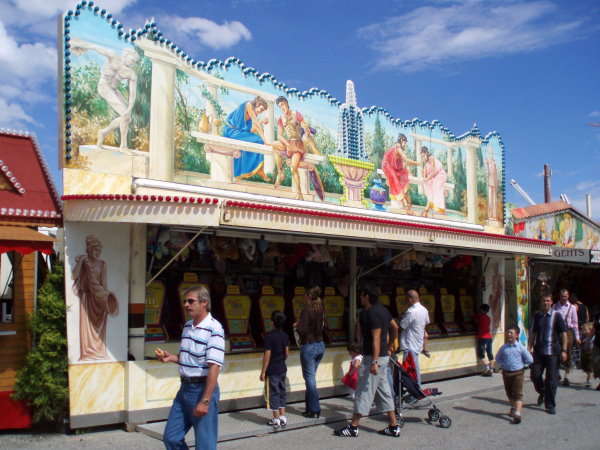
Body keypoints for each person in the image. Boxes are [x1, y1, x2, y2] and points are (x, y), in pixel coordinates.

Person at [159, 286, 224, 450]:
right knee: (171, 438)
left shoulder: (214, 328)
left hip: (202, 390)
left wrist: (205, 400)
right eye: (185, 301)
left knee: (204, 445)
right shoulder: (188, 326)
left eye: (190, 301)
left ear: (204, 303)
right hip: (184, 390)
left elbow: (214, 367)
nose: (186, 305)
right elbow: (189, 358)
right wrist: (171, 358)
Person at [335, 286, 400, 438]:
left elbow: (376, 338)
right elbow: (395, 327)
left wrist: (374, 362)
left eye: (362, 295)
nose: (360, 297)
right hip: (383, 357)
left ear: (367, 297)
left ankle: (353, 427)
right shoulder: (383, 310)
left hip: (373, 358)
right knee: (384, 392)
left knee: (363, 390)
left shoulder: (371, 313)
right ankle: (393, 426)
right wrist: (390, 344)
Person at [70, 38, 138, 153]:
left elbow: (132, 95)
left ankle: (103, 132)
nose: (133, 62)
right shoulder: (112, 56)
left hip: (114, 90)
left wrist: (129, 109)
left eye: (134, 61)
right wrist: (76, 44)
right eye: (132, 59)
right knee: (124, 115)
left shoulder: (131, 73)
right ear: (127, 54)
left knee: (127, 117)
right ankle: (123, 146)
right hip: (104, 87)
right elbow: (94, 46)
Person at [72, 235, 119, 361]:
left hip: (99, 299)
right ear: (89, 249)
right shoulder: (84, 262)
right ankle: (87, 354)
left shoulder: (103, 264)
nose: (98, 252)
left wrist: (106, 300)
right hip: (87, 298)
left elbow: (104, 284)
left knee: (100, 329)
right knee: (87, 328)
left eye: (99, 250)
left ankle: (99, 352)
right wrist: (81, 262)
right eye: (95, 249)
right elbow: (73, 276)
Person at [271, 96, 322, 200]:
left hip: (298, 144)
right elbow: (279, 135)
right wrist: (287, 144)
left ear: (286, 103)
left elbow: (304, 125)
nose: (282, 107)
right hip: (289, 142)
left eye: (282, 104)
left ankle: (299, 193)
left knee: (293, 168)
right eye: (279, 106)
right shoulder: (281, 119)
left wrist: (306, 130)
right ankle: (280, 173)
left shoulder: (296, 114)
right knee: (274, 145)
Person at [528, 294, 567, 415]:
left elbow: (564, 333)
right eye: (543, 301)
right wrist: (529, 348)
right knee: (535, 375)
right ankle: (543, 392)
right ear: (541, 302)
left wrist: (564, 350)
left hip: (553, 353)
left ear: (551, 302)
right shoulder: (537, 316)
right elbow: (532, 333)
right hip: (539, 352)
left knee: (551, 380)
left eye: (548, 301)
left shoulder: (557, 315)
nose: (545, 303)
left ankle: (550, 405)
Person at [222, 96, 271, 181]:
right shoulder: (249, 105)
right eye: (261, 109)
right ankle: (259, 169)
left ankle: (258, 168)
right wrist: (265, 141)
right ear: (257, 104)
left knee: (256, 140)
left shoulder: (254, 113)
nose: (261, 112)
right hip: (231, 131)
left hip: (238, 133)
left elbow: (251, 131)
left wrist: (261, 122)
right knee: (259, 140)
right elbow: (256, 124)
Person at [296, 286, 326, 418]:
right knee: (311, 378)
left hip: (309, 345)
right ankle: (309, 408)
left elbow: (302, 330)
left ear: (309, 296)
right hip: (320, 344)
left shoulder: (307, 310)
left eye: (304, 294)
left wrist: (296, 326)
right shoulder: (320, 309)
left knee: (309, 379)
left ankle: (314, 409)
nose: (302, 296)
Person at [495, 325, 533, 424]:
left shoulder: (520, 347)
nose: (509, 334)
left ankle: (517, 414)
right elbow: (497, 358)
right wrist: (504, 363)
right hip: (506, 373)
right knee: (509, 393)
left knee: (517, 394)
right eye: (508, 332)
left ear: (517, 335)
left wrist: (523, 364)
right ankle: (513, 408)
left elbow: (530, 359)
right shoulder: (503, 347)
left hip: (518, 373)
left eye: (511, 333)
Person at [260, 310, 290, 428]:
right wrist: (281, 360)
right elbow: (286, 352)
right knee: (282, 392)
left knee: (273, 393)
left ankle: (276, 418)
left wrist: (263, 371)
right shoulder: (285, 335)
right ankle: (283, 417)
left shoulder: (269, 337)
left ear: (272, 322)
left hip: (272, 370)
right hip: (282, 368)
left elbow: (267, 356)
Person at [399, 290, 430, 386]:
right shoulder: (424, 310)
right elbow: (426, 322)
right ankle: (416, 389)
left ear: (410, 299)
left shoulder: (411, 311)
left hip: (410, 343)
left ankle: (416, 390)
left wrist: (398, 319)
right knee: (414, 368)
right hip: (418, 343)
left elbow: (402, 326)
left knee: (410, 369)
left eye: (406, 300)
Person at [382, 133, 418, 213]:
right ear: (401, 141)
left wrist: (407, 168)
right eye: (404, 143)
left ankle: (408, 204)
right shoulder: (398, 149)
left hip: (392, 167)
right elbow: (406, 160)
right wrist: (417, 163)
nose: (405, 145)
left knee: (404, 174)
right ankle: (406, 206)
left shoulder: (395, 148)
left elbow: (399, 164)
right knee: (396, 181)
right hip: (387, 166)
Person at [552, 288, 580, 386]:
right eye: (562, 296)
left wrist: (577, 337)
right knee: (556, 352)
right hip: (557, 332)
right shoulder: (555, 306)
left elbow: (575, 323)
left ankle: (566, 376)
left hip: (568, 332)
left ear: (568, 296)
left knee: (568, 354)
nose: (563, 298)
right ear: (559, 296)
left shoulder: (572, 307)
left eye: (565, 296)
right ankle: (557, 373)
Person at [420, 146, 447, 217]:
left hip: (440, 175)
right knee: (428, 185)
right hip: (434, 178)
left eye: (423, 155)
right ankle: (428, 209)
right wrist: (423, 174)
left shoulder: (431, 158)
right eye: (422, 157)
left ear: (426, 153)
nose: (423, 158)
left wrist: (427, 178)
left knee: (435, 187)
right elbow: (425, 177)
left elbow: (433, 172)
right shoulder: (425, 165)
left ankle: (439, 210)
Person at [473, 304, 494, 376]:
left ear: (481, 309)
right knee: (490, 354)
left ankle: (487, 369)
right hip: (489, 337)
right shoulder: (488, 318)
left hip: (483, 337)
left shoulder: (480, 316)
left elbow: (472, 316)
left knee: (481, 355)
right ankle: (491, 369)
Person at [486, 145, 499, 220]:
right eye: (490, 152)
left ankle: (494, 216)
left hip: (494, 183)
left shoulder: (494, 163)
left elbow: (495, 174)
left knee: (494, 200)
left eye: (492, 152)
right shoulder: (488, 162)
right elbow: (488, 172)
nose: (491, 153)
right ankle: (490, 215)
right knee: (490, 200)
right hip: (490, 182)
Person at [580, 323, 595, 388]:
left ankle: (589, 380)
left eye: (585, 330)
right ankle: (590, 373)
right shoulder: (582, 337)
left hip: (591, 351)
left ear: (590, 330)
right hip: (584, 351)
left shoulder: (593, 337)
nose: (584, 332)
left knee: (589, 366)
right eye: (583, 330)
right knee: (583, 366)